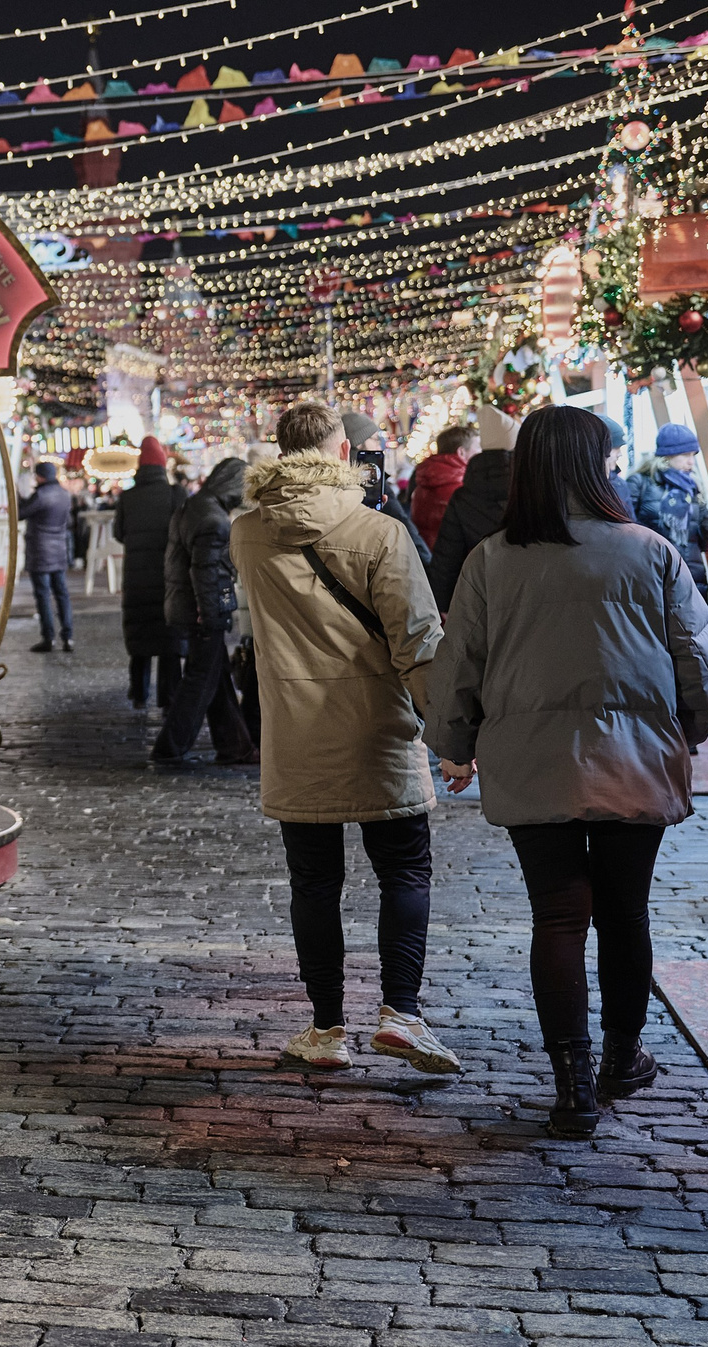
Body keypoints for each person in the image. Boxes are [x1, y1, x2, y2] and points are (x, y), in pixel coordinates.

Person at [426, 406, 708, 1137]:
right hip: (635, 760)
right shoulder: (649, 550)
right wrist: (688, 729)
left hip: (534, 765)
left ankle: (571, 1088)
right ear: (599, 468)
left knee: (558, 916)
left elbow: (457, 665)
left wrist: (455, 745)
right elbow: (702, 656)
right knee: (625, 913)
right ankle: (622, 1059)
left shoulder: (491, 559)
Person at [231, 402, 457, 1075]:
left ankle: (326, 1027)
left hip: (296, 732)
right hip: (379, 729)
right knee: (405, 870)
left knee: (314, 881)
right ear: (340, 454)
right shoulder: (379, 532)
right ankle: (401, 1014)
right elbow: (419, 645)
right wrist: (448, 735)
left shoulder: (247, 533)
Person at [152, 458, 255, 765]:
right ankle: (170, 746)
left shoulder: (194, 506)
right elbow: (206, 573)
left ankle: (235, 746)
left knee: (216, 678)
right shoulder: (214, 520)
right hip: (203, 613)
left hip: (190, 607)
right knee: (200, 680)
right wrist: (212, 617)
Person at [116, 438, 186, 709]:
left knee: (140, 635)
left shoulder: (127, 497)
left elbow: (118, 533)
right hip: (169, 575)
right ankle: (169, 697)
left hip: (136, 578)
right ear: (162, 465)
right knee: (169, 637)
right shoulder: (175, 494)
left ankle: (139, 694)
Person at [428, 406, 518, 613]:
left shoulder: (463, 496)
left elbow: (447, 557)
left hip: (481, 595)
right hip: (529, 590)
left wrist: (443, 604)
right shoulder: (534, 488)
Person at [627, 423, 708, 601]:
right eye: (685, 455)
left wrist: (701, 502)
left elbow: (707, 540)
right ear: (666, 455)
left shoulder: (692, 487)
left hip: (690, 578)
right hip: (651, 577)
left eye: (693, 455)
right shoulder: (640, 483)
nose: (691, 462)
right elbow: (625, 531)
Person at [341, 411, 429, 564]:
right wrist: (426, 560)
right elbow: (403, 525)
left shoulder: (337, 482)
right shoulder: (373, 481)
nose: (379, 447)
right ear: (358, 444)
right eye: (375, 440)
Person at [18, 459, 76, 653]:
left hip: (40, 551)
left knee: (43, 595)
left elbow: (21, 513)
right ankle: (68, 636)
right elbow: (68, 521)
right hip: (59, 550)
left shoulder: (41, 495)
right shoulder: (65, 495)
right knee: (62, 594)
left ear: (41, 476)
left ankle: (48, 637)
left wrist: (19, 495)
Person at [410, 425, 476, 549]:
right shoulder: (459, 488)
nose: (480, 453)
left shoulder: (426, 479)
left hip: (426, 555)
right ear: (461, 452)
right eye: (477, 448)